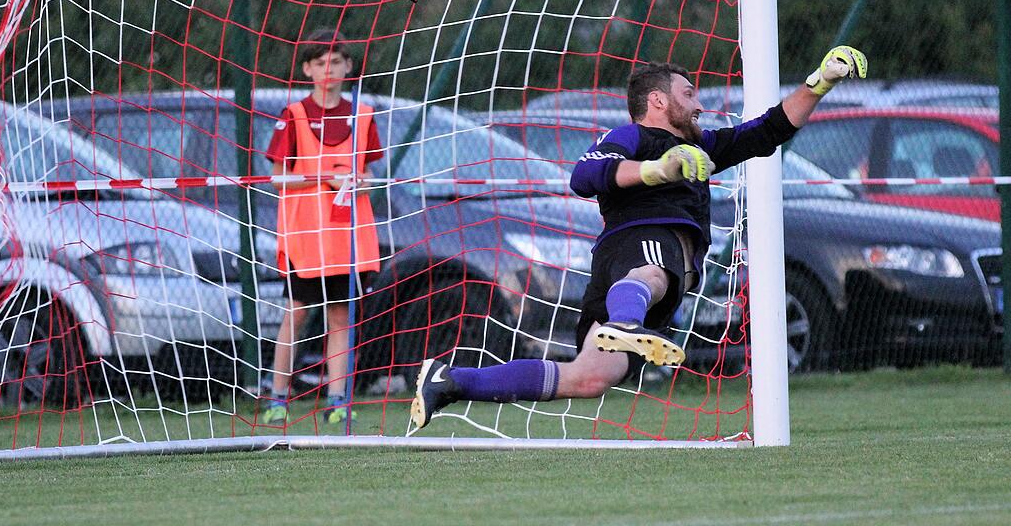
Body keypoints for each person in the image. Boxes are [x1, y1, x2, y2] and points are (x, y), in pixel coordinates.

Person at [410, 46, 868, 428]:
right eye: (689, 95)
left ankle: (451, 382)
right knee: (652, 271)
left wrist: (820, 82)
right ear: (658, 101)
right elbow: (584, 175)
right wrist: (656, 169)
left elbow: (769, 130)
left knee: (587, 378)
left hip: (634, 281)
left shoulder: (702, 146)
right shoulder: (633, 135)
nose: (699, 104)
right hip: (638, 248)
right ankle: (625, 323)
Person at [260, 29, 383, 425]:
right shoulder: (293, 117)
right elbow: (277, 178)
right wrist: (324, 178)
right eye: (319, 62)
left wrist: (357, 181)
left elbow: (370, 176)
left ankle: (337, 401)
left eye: (336, 61)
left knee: (341, 320)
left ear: (348, 66)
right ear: (307, 70)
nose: (328, 69)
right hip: (306, 239)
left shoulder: (363, 115)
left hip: (347, 239)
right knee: (295, 314)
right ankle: (278, 396)